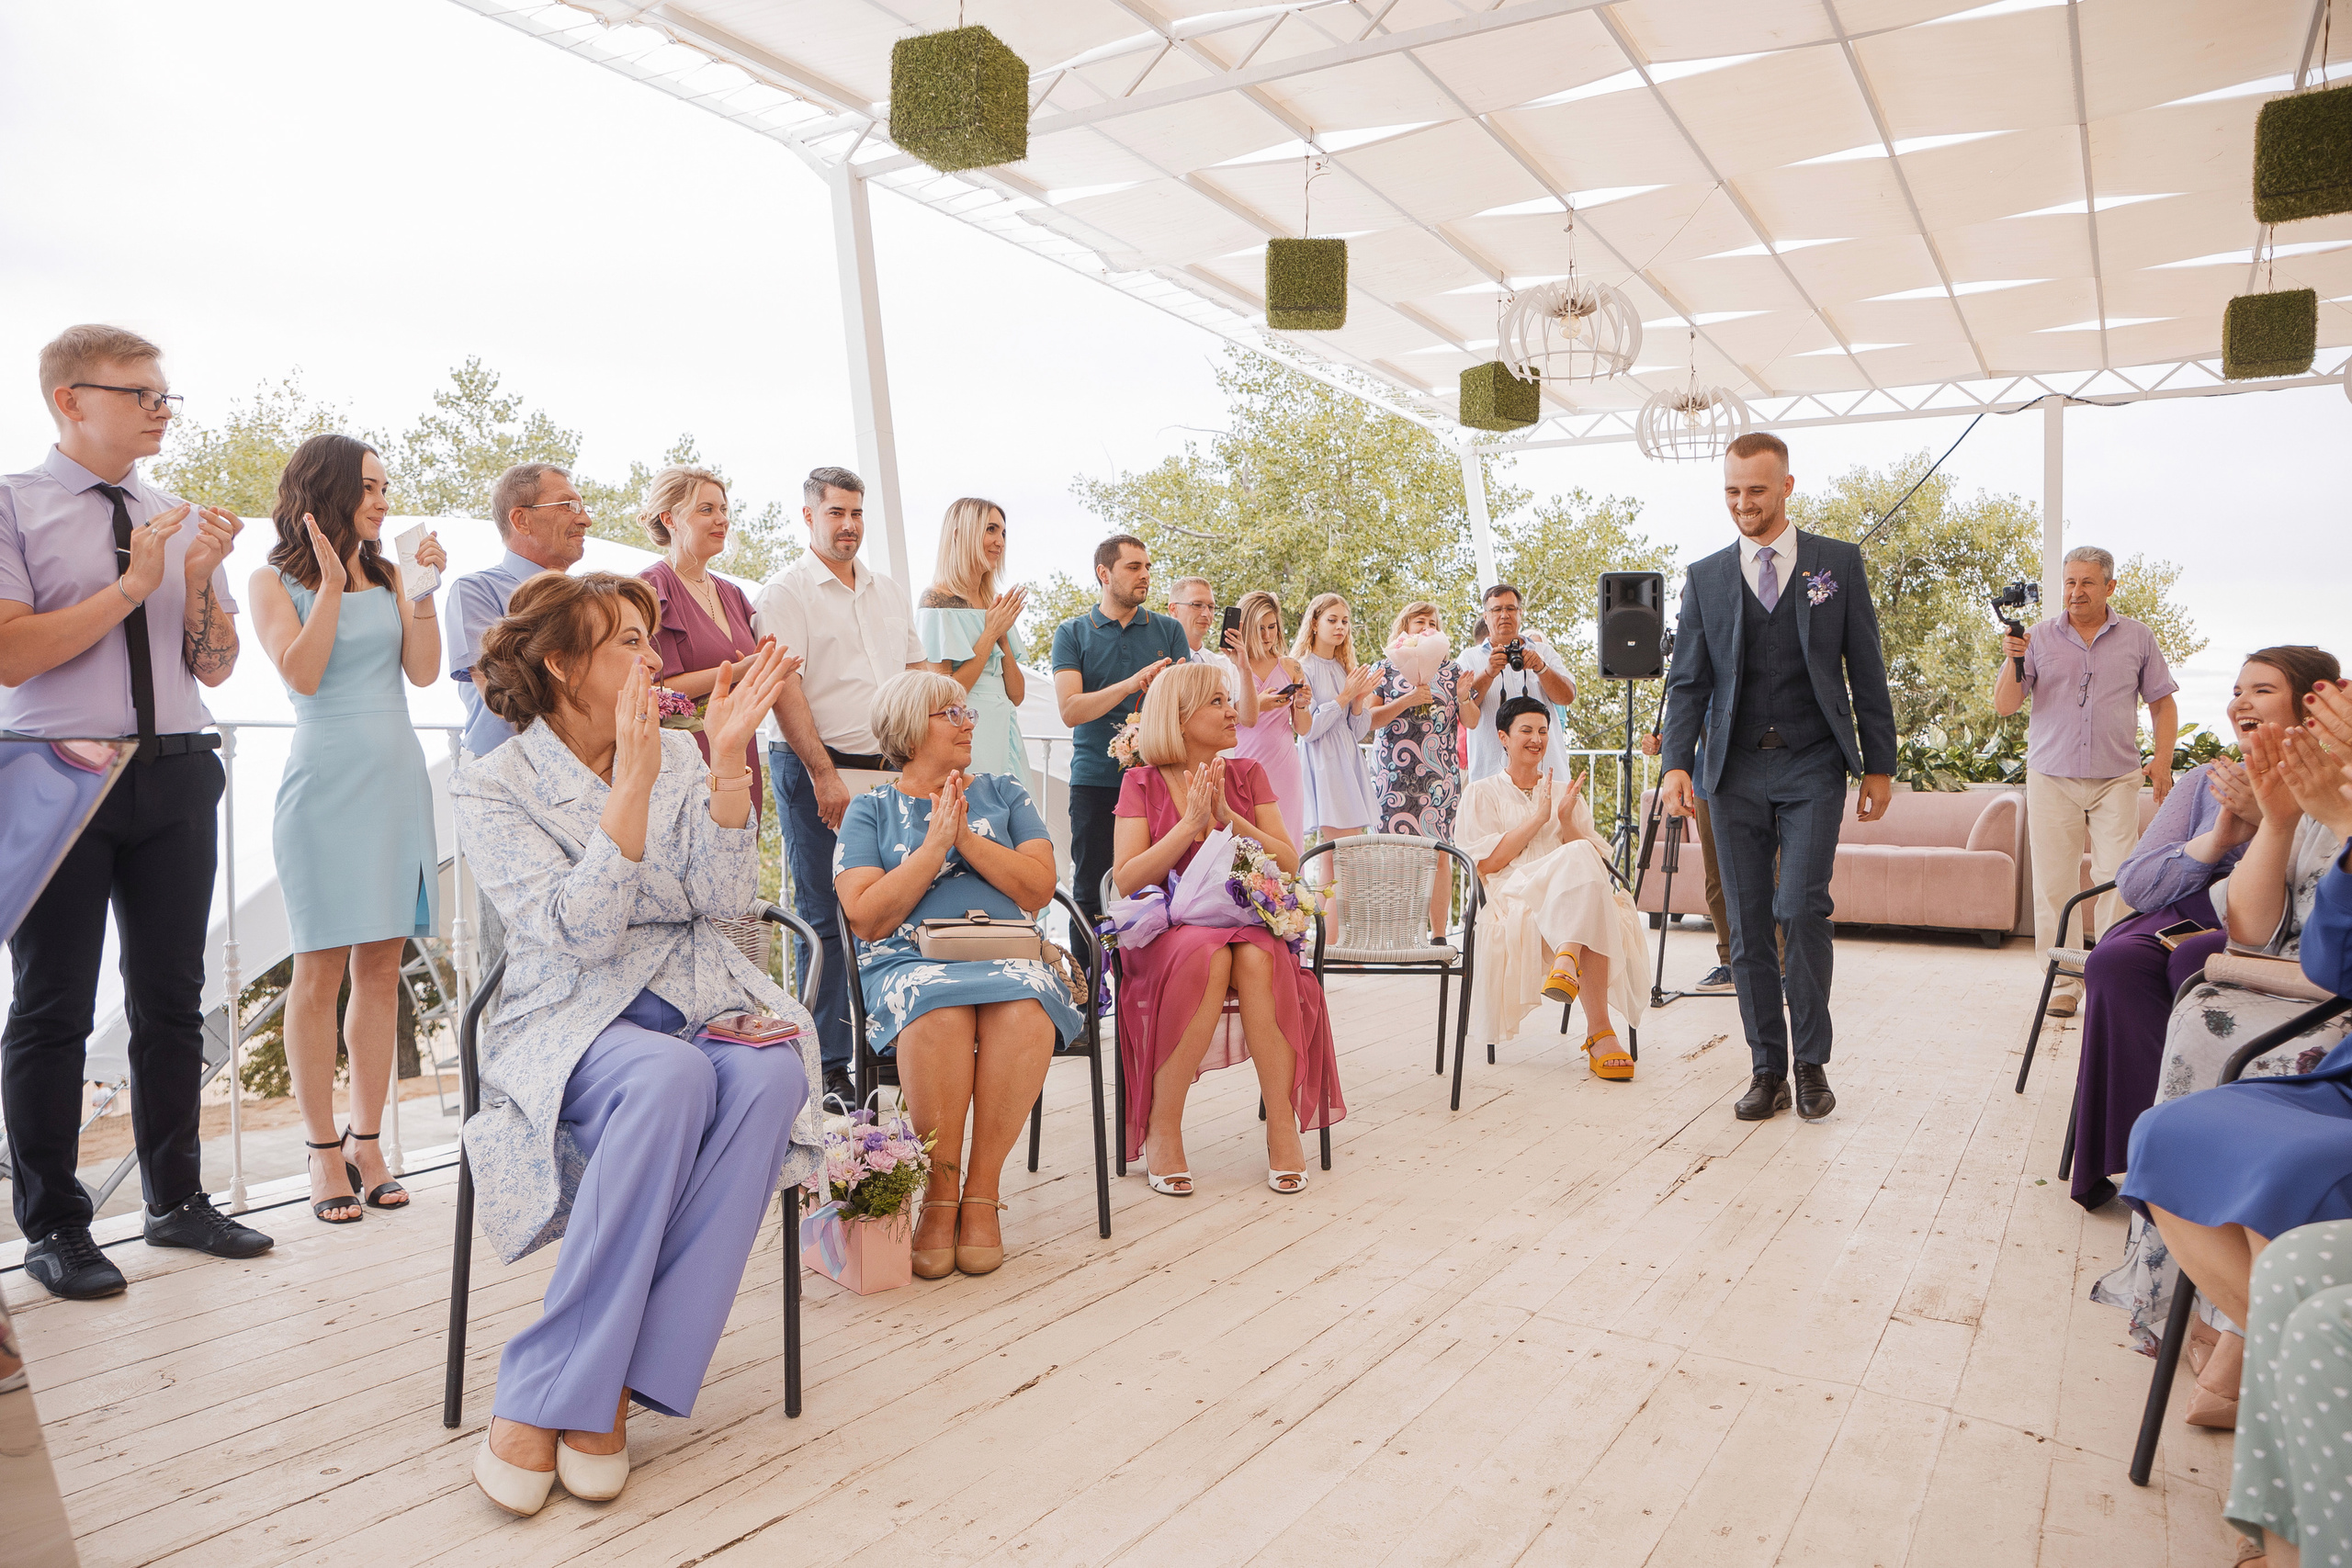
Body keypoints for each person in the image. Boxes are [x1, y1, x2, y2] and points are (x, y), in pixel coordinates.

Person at [451, 571, 815, 1517]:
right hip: (570, 1017)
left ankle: (603, 1381)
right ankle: (558, 1387)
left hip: (694, 998)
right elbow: (577, 934)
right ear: (562, 665)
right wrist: (634, 790)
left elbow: (725, 903)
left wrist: (726, 765)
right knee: (668, 1078)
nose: (654, 659)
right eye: (628, 641)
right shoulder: (493, 784)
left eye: (652, 640)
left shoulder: (688, 755)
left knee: (770, 1075)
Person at [0, 324, 271, 1300]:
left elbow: (215, 665)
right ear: (71, 399)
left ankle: (177, 1200)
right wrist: (131, 586)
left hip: (176, 771)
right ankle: (55, 1225)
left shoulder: (178, 517)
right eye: (140, 393)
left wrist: (195, 584)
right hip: (53, 772)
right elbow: (11, 655)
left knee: (172, 997)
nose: (162, 409)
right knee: (53, 1004)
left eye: (166, 395)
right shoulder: (12, 504)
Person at [2094, 705, 2352, 1374]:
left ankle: (2250, 1351)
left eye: (2265, 693)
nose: (2244, 706)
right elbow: (2264, 935)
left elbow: (2327, 972)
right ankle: (2276, 1352)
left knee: (2285, 1164)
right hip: (2285, 984)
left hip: (2323, 1023)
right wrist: (2280, 821)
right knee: (2162, 1132)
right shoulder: (2296, 798)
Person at [1659, 431, 1897, 1122]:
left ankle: (1811, 1063)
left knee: (1800, 906)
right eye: (1732, 491)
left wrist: (1879, 764)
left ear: (1787, 487)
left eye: (1756, 490)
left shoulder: (1836, 564)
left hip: (1812, 762)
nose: (1743, 503)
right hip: (1731, 770)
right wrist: (1677, 762)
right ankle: (1767, 1069)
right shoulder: (1706, 576)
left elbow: (1866, 668)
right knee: (1747, 923)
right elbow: (1688, 682)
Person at [247, 434, 446, 1224]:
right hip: (323, 786)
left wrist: (424, 591)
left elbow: (423, 672)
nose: (383, 500)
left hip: (396, 781)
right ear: (326, 490)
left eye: (385, 486)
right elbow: (301, 673)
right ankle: (322, 1149)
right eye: (369, 486)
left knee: (381, 968)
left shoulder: (393, 575)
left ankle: (369, 1142)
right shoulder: (272, 579)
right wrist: (330, 585)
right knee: (318, 970)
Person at [2069, 647, 2339, 1210]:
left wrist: (2269, 821)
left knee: (2194, 960)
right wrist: (2218, 839)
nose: (2241, 702)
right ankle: (2125, 1154)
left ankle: (2190, 1154)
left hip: (2249, 924)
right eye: (2237, 691)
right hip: (2177, 912)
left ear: (2309, 707)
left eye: (2262, 690)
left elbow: (2306, 897)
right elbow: (2137, 885)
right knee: (2114, 962)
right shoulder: (2203, 782)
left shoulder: (2326, 789)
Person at [832, 672, 1081, 1278]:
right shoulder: (869, 809)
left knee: (1025, 1008)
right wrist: (934, 845)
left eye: (967, 711)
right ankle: (939, 1198)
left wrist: (965, 838)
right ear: (909, 728)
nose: (968, 721)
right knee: (938, 1009)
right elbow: (865, 916)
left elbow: (1038, 887)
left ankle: (982, 1194)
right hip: (909, 961)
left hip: (1010, 954)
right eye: (951, 713)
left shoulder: (1004, 792)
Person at [1110, 662, 1343, 1192]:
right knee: (1208, 954)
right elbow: (1127, 879)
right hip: (1167, 929)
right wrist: (1190, 825)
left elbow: (1289, 860)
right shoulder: (1139, 782)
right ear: (1180, 717)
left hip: (1242, 922)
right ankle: (1163, 1126)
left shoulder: (1247, 774)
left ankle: (1282, 1126)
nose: (1234, 711)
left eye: (1228, 700)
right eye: (1217, 702)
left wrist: (1227, 817)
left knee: (1259, 955)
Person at [752, 467, 926, 1108]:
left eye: (856, 513)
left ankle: (888, 1045)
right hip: (814, 769)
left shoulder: (888, 590)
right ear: (809, 516)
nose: (849, 525)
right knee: (824, 914)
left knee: (894, 906)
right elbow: (784, 688)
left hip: (890, 768)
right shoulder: (785, 592)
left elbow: (916, 673)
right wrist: (824, 774)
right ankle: (826, 1063)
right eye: (836, 513)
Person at [1995, 545, 2180, 1018]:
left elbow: (2162, 703)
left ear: (2110, 586)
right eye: (2070, 582)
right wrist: (2012, 659)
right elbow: (2005, 706)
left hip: (2116, 777)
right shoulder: (2037, 637)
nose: (2076, 592)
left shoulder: (2138, 637)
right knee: (2054, 882)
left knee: (2116, 878)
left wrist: (2162, 760)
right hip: (2052, 775)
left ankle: (2110, 975)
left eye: (2088, 583)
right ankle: (2063, 980)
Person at [1458, 698, 1649, 1079]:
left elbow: (1596, 865)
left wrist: (1565, 820)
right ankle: (1600, 1033)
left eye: (1543, 731)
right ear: (1503, 738)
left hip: (1571, 895)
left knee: (1583, 859)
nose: (1537, 739)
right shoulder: (1481, 792)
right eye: (1526, 731)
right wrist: (1538, 820)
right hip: (1515, 891)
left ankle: (1567, 960)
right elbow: (1487, 864)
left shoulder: (1565, 792)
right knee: (1586, 885)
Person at [1050, 535, 1193, 932]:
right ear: (1104, 573)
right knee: (1089, 890)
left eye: (1147, 567)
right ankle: (1089, 976)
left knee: (1164, 886)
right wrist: (1131, 684)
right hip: (1094, 781)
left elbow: (1186, 705)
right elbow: (1070, 710)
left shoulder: (1170, 630)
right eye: (1133, 567)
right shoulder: (1071, 633)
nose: (1145, 575)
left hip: (1160, 780)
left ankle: (1153, 973)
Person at [636, 464, 765, 818]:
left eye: (723, 509)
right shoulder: (650, 589)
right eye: (706, 510)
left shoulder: (733, 593)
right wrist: (739, 670)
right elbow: (654, 689)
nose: (722, 519)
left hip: (739, 751)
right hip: (683, 761)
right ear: (670, 519)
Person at [447, 462, 589, 761]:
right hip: (506, 772)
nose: (585, 520)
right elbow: (501, 695)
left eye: (583, 507)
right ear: (521, 520)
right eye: (568, 506)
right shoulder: (476, 591)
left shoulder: (591, 599)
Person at [918, 497, 1031, 788]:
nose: (1000, 542)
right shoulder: (936, 601)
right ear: (959, 534)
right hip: (966, 734)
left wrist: (1002, 636)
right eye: (990, 529)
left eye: (1003, 533)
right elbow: (944, 697)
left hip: (1005, 732)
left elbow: (1017, 694)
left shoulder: (994, 602)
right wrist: (990, 633)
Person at [1368, 602, 1464, 942]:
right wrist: (1406, 701)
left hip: (1438, 775)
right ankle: (1399, 935)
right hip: (1392, 775)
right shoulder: (1384, 668)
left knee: (1439, 855)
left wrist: (1466, 698)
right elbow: (1369, 720)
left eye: (1433, 623)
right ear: (1404, 628)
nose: (1427, 627)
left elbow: (1467, 719)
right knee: (1393, 856)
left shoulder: (1453, 670)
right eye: (1420, 622)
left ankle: (1438, 937)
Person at [1638, 724, 1736, 992]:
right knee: (1717, 876)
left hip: (1765, 775)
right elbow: (1688, 711)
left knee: (1774, 875)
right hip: (1708, 781)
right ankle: (1731, 964)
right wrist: (1665, 742)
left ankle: (1782, 970)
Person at [1460, 583, 1577, 784]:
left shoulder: (1543, 652)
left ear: (1520, 613)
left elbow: (1566, 697)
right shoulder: (1469, 658)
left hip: (1547, 773)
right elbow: (1462, 709)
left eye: (1510, 609)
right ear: (1485, 617)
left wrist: (1542, 668)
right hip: (1492, 775)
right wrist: (1488, 673)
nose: (1504, 615)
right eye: (1497, 609)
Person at [1230, 588, 1310, 836]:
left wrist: (1301, 705)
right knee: (1246, 840)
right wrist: (1257, 705)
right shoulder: (1231, 665)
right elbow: (1218, 716)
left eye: (1272, 627)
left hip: (1284, 766)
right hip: (1243, 762)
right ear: (1246, 629)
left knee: (1287, 838)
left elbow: (1303, 729)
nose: (1267, 636)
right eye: (1260, 628)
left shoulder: (1291, 666)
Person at [1165, 575, 1258, 718]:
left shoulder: (1226, 665)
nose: (1206, 614)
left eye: (1211, 607)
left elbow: (1248, 719)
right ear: (1173, 609)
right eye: (1197, 605)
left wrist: (1244, 668)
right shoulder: (1161, 663)